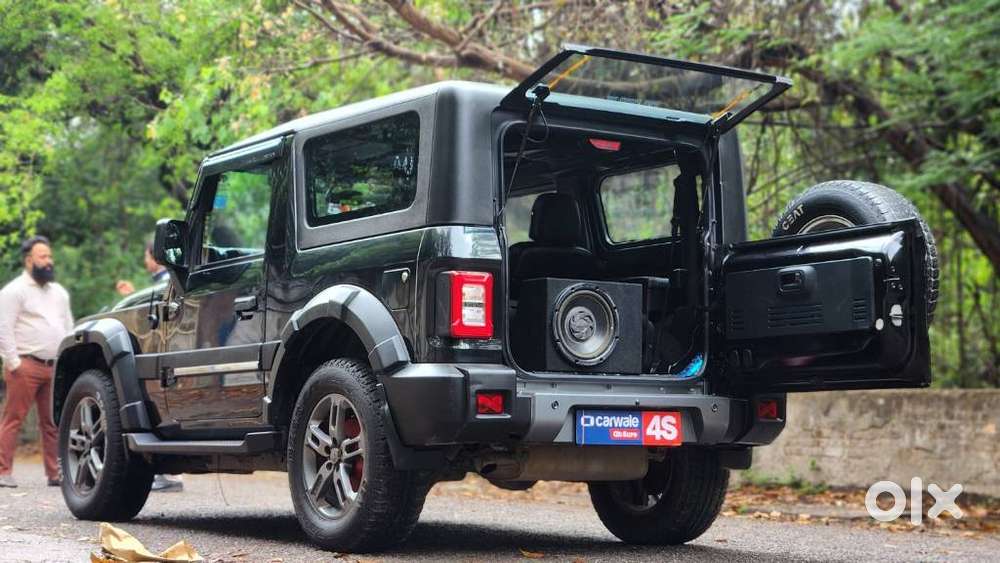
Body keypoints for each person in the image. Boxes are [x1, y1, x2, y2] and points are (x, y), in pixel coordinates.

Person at [0, 236, 73, 488]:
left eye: (50, 256)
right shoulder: (14, 291)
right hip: (25, 365)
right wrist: (13, 362)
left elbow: (68, 327)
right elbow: (3, 327)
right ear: (29, 260)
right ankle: (3, 471)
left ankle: (55, 474)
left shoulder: (59, 293)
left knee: (53, 422)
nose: (49, 261)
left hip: (54, 366)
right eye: (43, 257)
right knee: (13, 420)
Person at [115, 242, 183, 493]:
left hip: (164, 354)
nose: (145, 261)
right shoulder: (167, 278)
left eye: (146, 256)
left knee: (155, 406)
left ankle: (165, 472)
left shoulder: (166, 281)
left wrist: (130, 298)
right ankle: (169, 473)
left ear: (153, 257)